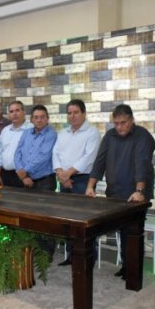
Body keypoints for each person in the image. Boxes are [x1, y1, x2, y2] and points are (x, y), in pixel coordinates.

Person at [86, 104, 155, 279]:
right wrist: (90, 186)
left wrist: (139, 190)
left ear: (132, 120)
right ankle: (126, 265)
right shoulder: (110, 136)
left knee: (133, 231)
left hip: (135, 194)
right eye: (116, 123)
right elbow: (100, 161)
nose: (119, 127)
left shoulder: (142, 136)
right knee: (122, 231)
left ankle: (134, 270)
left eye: (123, 123)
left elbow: (142, 164)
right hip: (115, 193)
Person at [52, 99, 101, 266]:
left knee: (84, 220)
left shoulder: (92, 133)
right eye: (69, 113)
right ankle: (71, 256)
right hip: (64, 180)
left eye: (76, 112)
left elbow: (89, 157)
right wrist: (61, 173)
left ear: (84, 113)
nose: (72, 116)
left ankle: (88, 258)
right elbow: (55, 153)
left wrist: (68, 173)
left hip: (83, 180)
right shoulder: (63, 133)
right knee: (67, 220)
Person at [13, 105, 57, 191]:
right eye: (36, 117)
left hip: (45, 181)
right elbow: (17, 153)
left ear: (47, 118)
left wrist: (24, 171)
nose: (39, 120)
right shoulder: (26, 133)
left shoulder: (51, 134)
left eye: (42, 117)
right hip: (25, 179)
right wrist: (23, 175)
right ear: (31, 119)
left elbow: (44, 157)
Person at [0, 101, 33, 187]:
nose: (14, 114)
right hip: (5, 175)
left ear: (24, 112)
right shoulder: (5, 131)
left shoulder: (32, 129)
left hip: (25, 176)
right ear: (9, 115)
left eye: (17, 110)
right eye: (11, 111)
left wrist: (26, 176)